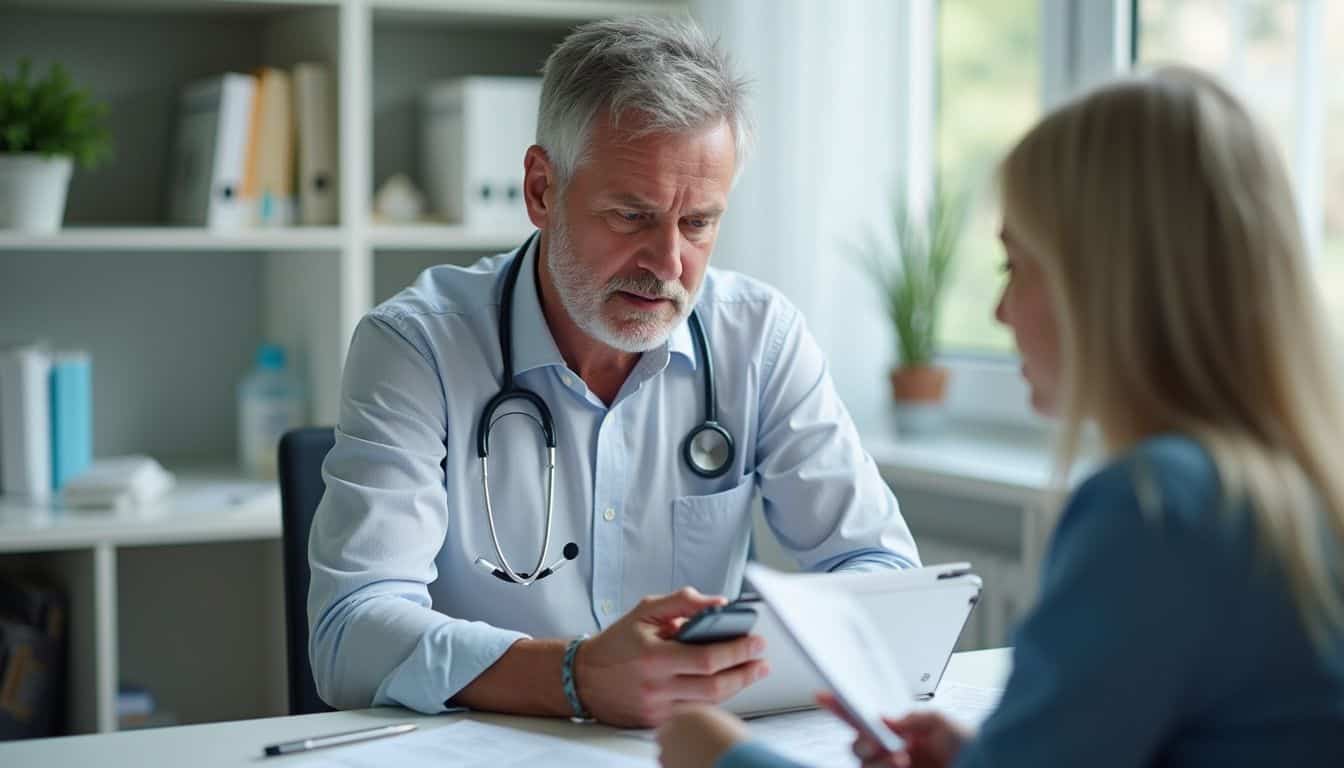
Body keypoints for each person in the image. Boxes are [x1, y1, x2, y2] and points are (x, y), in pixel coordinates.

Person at [657, 67, 1344, 767]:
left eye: (1017, 266)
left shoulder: (1155, 509)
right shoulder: (1296, 490)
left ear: (1107, 286)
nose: (1000, 313)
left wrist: (717, 754)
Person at [306, 17, 920, 728]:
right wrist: (574, 677)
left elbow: (883, 577)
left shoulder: (759, 339)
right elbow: (349, 633)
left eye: (697, 224)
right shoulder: (418, 346)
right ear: (541, 189)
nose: (667, 265)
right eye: (632, 216)